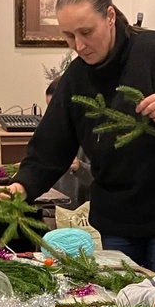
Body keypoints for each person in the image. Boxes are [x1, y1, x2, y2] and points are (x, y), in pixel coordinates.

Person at [4, 0, 155, 273]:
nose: (79, 46)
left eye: (86, 32)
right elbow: (50, 148)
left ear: (110, 16)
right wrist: (21, 186)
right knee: (124, 297)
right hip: (117, 219)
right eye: (69, 36)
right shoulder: (75, 79)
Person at [42, 76, 92, 208]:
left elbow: (107, 180)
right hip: (55, 209)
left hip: (82, 213)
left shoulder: (93, 134)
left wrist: (79, 167)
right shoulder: (53, 131)